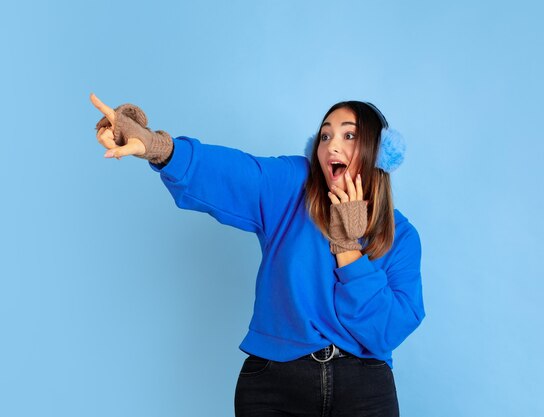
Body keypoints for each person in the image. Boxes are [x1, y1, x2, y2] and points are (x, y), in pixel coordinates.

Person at [90, 93, 425, 417]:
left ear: (378, 152)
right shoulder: (293, 185)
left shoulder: (402, 236)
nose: (332, 145)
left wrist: (347, 244)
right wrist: (157, 146)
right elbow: (234, 173)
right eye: (325, 135)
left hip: (364, 390)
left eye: (348, 135)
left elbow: (385, 331)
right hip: (276, 384)